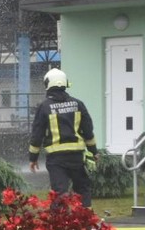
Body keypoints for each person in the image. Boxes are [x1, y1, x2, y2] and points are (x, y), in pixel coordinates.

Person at [28, 67, 98, 207]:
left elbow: (37, 134)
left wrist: (33, 158)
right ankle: (86, 220)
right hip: (76, 156)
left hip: (56, 158)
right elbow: (88, 131)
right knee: (82, 189)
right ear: (65, 83)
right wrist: (94, 152)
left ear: (47, 84)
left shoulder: (44, 106)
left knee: (59, 192)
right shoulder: (78, 104)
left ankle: (59, 224)